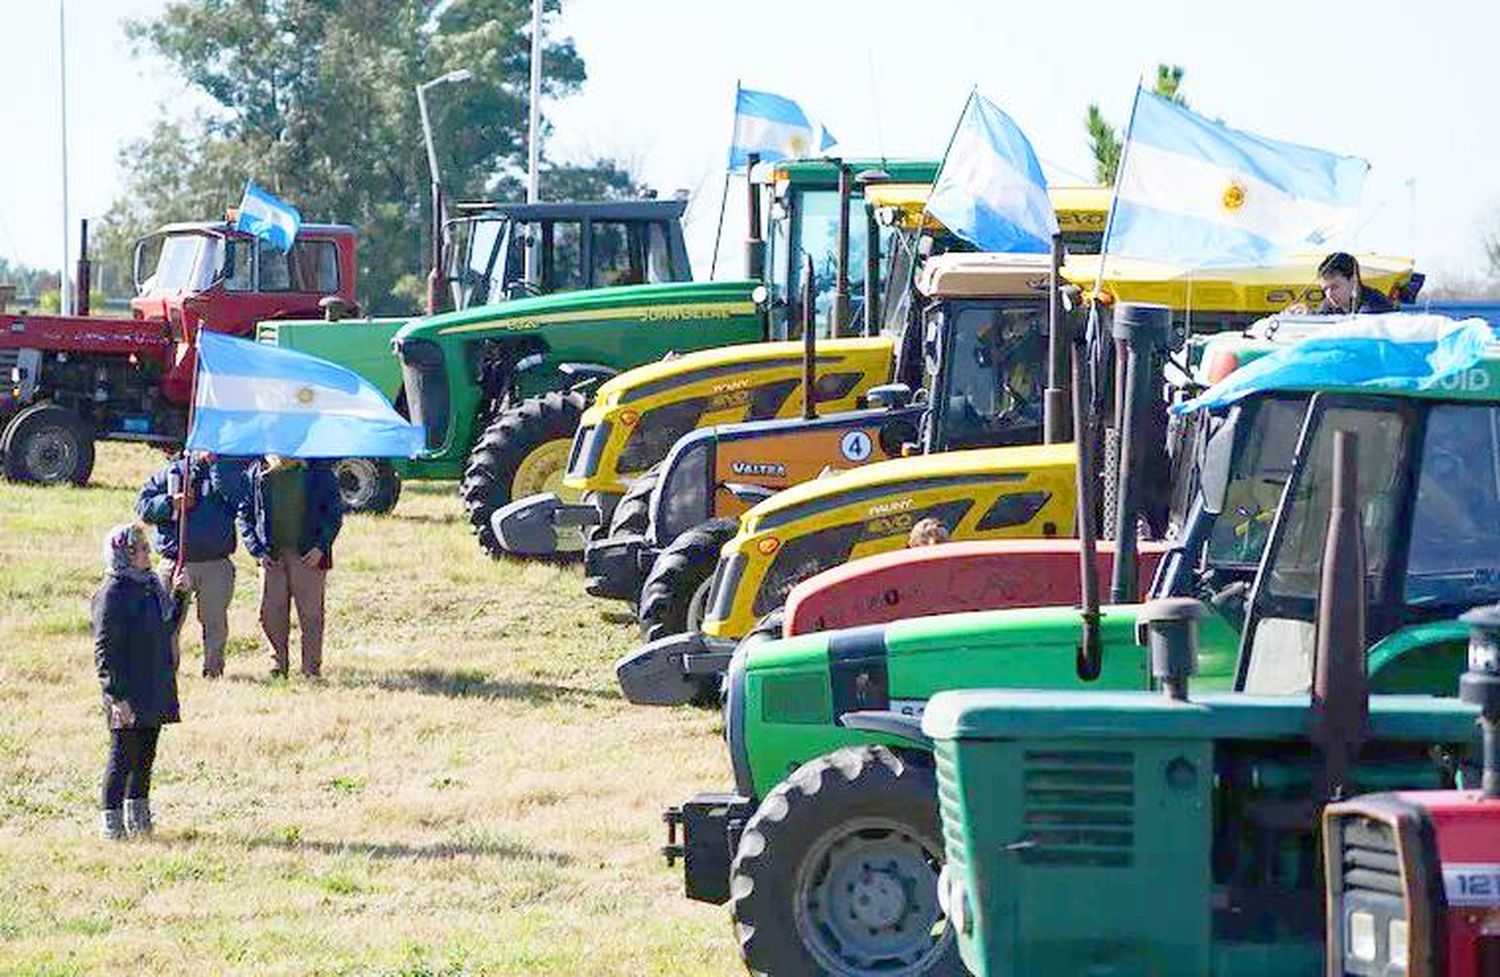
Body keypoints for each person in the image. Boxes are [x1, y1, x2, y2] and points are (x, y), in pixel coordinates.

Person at [94, 523, 183, 840]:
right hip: (127, 689)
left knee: (146, 753)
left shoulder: (150, 586)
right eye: (140, 549)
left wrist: (180, 596)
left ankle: (139, 816)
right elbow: (104, 650)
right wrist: (116, 697)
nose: (148, 553)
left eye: (147, 547)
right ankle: (111, 822)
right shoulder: (112, 592)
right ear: (123, 553)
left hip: (153, 683)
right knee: (122, 756)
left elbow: (165, 627)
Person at [136, 451, 248, 677]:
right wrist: (169, 504)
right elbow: (143, 508)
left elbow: (237, 497)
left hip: (215, 562)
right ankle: (167, 670)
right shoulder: (172, 472)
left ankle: (213, 671)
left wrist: (216, 467)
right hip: (176, 561)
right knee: (167, 620)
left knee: (214, 622)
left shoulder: (227, 471)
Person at [237, 455, 343, 678]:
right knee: (270, 613)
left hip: (307, 555)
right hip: (272, 555)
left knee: (311, 615)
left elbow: (333, 513)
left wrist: (321, 547)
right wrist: (257, 550)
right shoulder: (257, 471)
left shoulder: (318, 470)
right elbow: (245, 514)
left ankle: (311, 670)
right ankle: (277, 665)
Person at [1312, 252, 1396, 314]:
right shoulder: (1328, 305)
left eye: (1335, 287)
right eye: (1325, 289)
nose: (1329, 294)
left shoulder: (1375, 307)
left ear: (1354, 280)